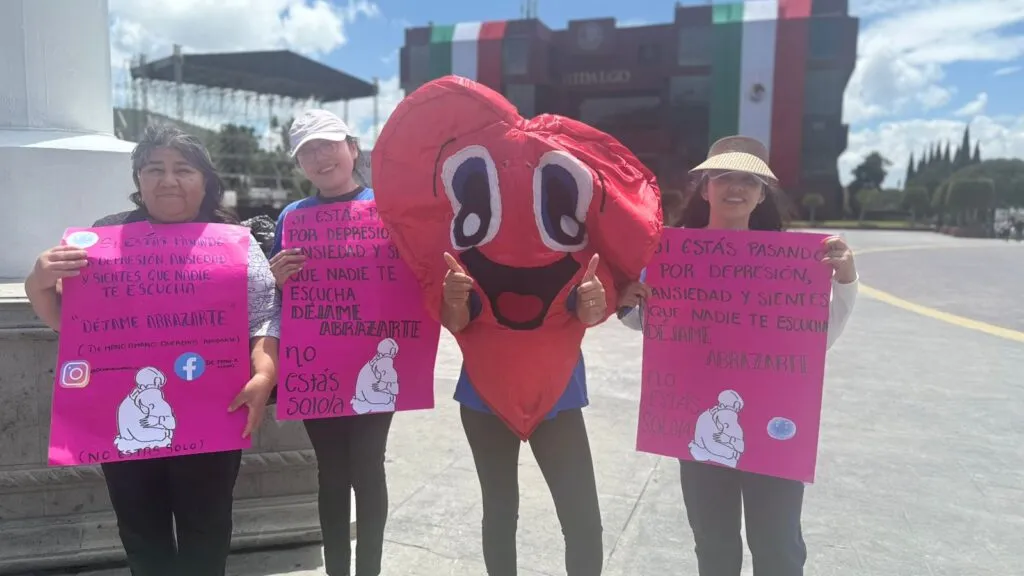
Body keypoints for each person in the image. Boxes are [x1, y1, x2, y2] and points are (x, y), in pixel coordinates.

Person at [24, 125, 280, 576]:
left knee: (207, 526)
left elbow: (262, 317)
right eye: (154, 169)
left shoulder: (233, 239)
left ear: (205, 181)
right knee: (141, 528)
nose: (168, 180)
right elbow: (74, 324)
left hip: (213, 409)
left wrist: (264, 372)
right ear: (138, 180)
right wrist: (38, 281)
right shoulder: (105, 237)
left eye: (184, 169)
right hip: (119, 416)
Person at [618, 136, 858, 576]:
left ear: (762, 194)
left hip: (776, 422)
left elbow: (816, 339)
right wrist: (630, 298)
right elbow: (645, 324)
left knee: (779, 546)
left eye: (749, 180)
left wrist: (844, 281)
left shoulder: (790, 264)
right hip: (696, 418)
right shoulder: (671, 254)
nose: (736, 187)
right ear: (705, 188)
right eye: (724, 177)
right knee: (713, 545)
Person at [268, 109, 390, 576]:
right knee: (332, 472)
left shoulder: (388, 209)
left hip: (375, 361)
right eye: (308, 151)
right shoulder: (292, 217)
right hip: (316, 367)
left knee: (369, 467)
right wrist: (278, 279)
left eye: (329, 145)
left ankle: (369, 569)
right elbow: (277, 298)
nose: (320, 157)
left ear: (352, 148)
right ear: (299, 163)